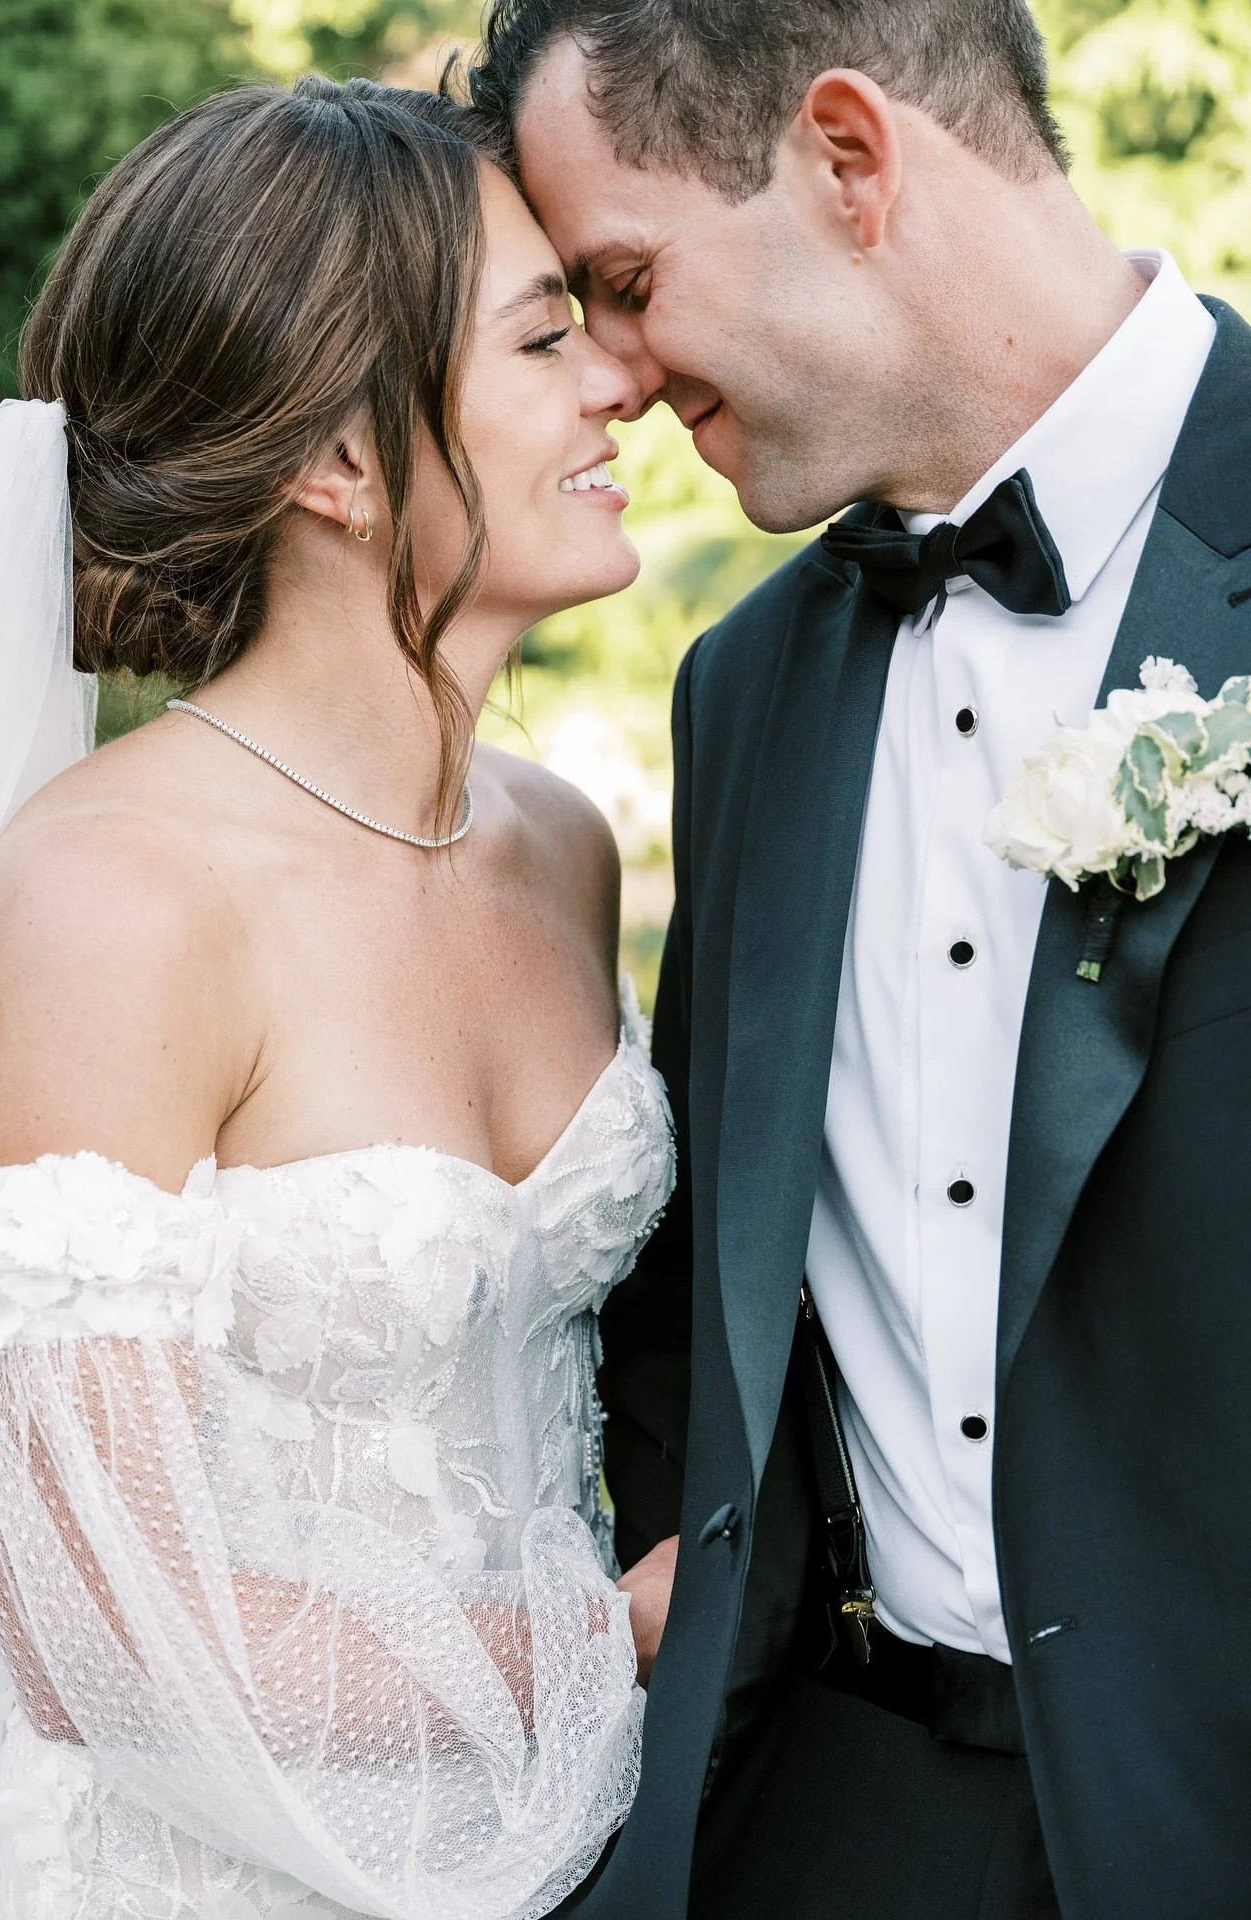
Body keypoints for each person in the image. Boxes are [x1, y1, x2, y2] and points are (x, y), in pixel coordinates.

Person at [0, 79, 682, 1920]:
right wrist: (610, 1640)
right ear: (338, 465)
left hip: (592, 1851)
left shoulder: (561, 844)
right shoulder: (109, 902)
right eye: (543, 339)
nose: (619, 378)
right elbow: (102, 1636)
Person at [464, 2, 1251, 1915]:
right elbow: (693, 1314)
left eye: (629, 282)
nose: (621, 380)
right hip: (843, 1819)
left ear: (846, 156)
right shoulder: (743, 691)